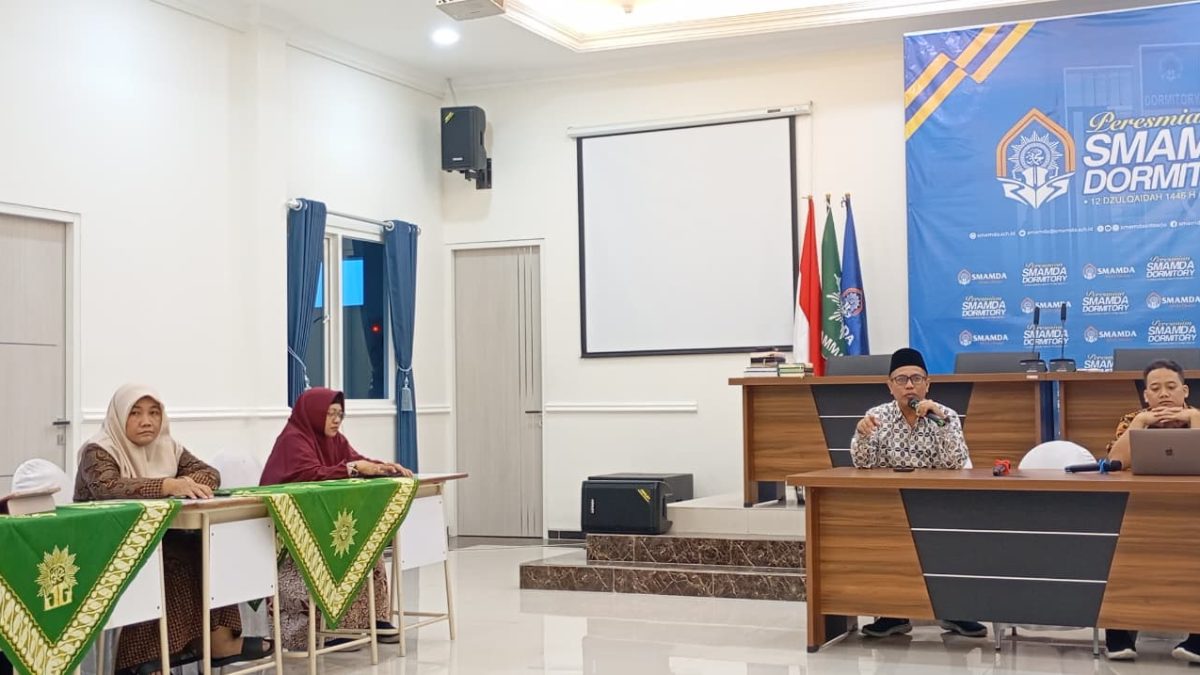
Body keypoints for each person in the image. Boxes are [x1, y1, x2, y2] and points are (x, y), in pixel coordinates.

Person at [74, 384, 273, 675]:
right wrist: (167, 485)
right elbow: (108, 487)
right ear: (119, 417)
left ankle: (218, 641)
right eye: (136, 413)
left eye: (154, 413)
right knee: (167, 561)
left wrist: (189, 484)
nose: (147, 421)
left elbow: (209, 473)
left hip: (157, 539)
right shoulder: (99, 451)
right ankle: (142, 660)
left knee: (205, 550)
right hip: (108, 548)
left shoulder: (168, 447)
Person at [259, 387, 412, 651]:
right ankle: (321, 632)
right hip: (290, 532)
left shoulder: (334, 440)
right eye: (329, 413)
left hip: (322, 523)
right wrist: (353, 468)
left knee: (364, 542)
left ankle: (371, 620)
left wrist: (384, 468)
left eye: (340, 414)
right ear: (314, 413)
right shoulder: (293, 439)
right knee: (322, 555)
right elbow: (310, 474)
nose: (336, 420)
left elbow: (356, 460)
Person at [849, 347, 986, 639]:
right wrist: (861, 435)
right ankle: (892, 613)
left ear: (928, 383)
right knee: (881, 533)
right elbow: (863, 464)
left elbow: (954, 463)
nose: (909, 385)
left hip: (939, 501)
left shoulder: (944, 415)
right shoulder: (876, 416)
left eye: (915, 378)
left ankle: (955, 611)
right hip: (891, 502)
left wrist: (942, 424)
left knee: (949, 535)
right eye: (901, 379)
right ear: (890, 386)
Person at [1102, 359, 1200, 662]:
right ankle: (1119, 632)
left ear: (1185, 390)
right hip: (1141, 507)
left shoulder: (1198, 417)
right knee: (1120, 550)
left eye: (1171, 387)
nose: (1164, 394)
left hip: (1192, 511)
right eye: (1155, 389)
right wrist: (1139, 425)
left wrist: (1194, 418)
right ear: (1146, 395)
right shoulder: (1133, 419)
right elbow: (1115, 462)